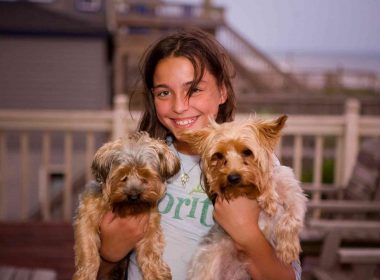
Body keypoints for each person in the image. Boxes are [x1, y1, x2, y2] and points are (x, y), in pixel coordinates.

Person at [97, 28, 301, 280]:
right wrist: (108, 256)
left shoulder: (258, 169)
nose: (179, 107)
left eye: (194, 90)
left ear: (223, 92)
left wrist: (248, 234)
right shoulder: (138, 167)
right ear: (152, 98)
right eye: (164, 93)